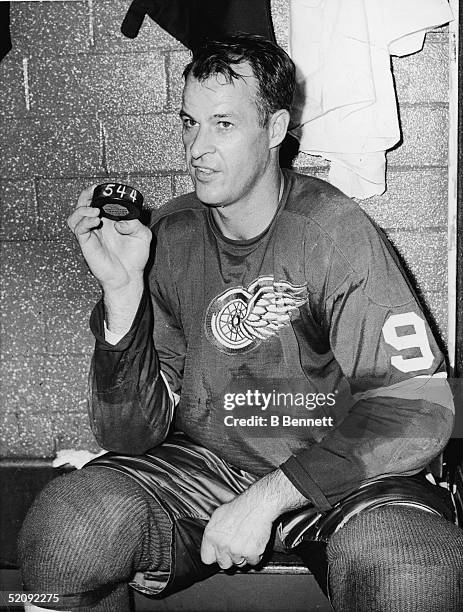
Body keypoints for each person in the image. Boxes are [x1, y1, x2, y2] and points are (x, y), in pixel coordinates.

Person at [19, 35, 463, 612]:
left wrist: (269, 499)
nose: (197, 148)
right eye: (189, 123)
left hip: (336, 475)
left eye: (223, 124)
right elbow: (128, 438)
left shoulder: (334, 233)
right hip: (208, 466)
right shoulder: (170, 237)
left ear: (275, 128)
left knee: (413, 571)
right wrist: (122, 292)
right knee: (65, 532)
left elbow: (418, 408)